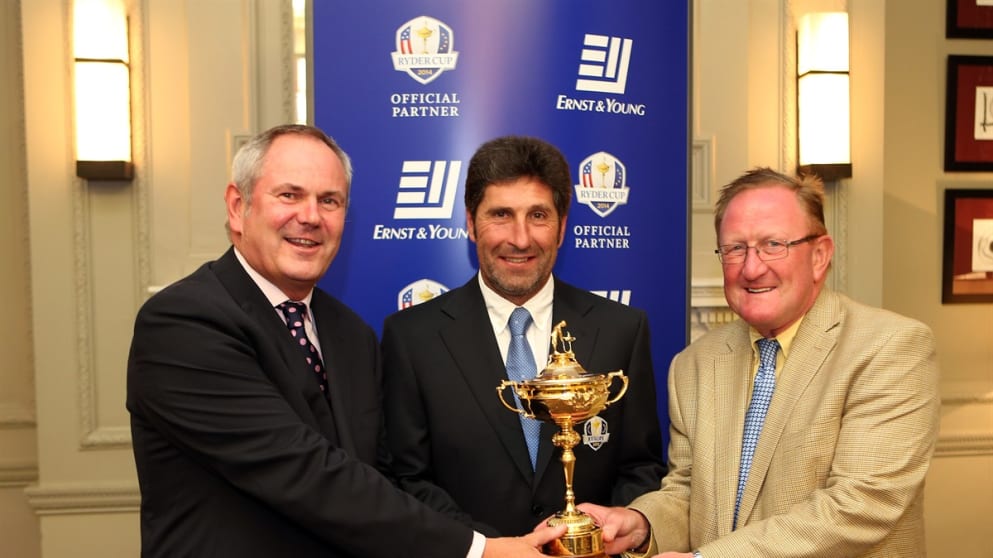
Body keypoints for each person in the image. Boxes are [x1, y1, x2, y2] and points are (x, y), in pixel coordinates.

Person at [126, 124, 564, 557]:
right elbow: (306, 473)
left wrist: (495, 543)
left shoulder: (350, 333)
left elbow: (382, 475)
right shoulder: (184, 323)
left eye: (329, 201)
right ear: (238, 207)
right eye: (289, 195)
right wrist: (481, 551)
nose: (311, 217)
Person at [578, 167, 941, 558]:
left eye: (773, 245)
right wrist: (641, 524)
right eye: (735, 248)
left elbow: (861, 506)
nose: (751, 268)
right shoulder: (694, 365)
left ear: (820, 255)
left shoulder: (889, 348)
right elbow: (686, 492)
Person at [380, 135, 666, 537]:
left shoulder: (622, 329)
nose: (520, 238)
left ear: (562, 227)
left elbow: (642, 467)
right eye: (500, 215)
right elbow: (408, 479)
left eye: (538, 215)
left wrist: (601, 533)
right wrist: (492, 551)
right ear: (470, 224)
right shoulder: (412, 338)